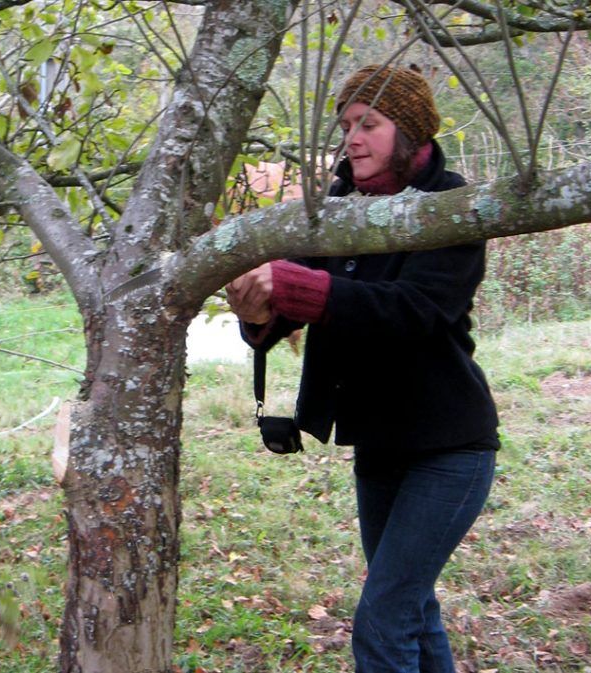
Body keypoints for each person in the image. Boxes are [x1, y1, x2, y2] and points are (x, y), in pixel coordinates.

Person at [226, 65, 499, 673]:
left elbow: (413, 311)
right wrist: (258, 309)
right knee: (411, 611)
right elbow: (290, 302)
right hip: (379, 446)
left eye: (369, 124)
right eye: (347, 124)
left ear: (411, 132)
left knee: (383, 621)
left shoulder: (454, 207)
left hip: (450, 449)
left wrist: (295, 286)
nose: (352, 138)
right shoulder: (338, 209)